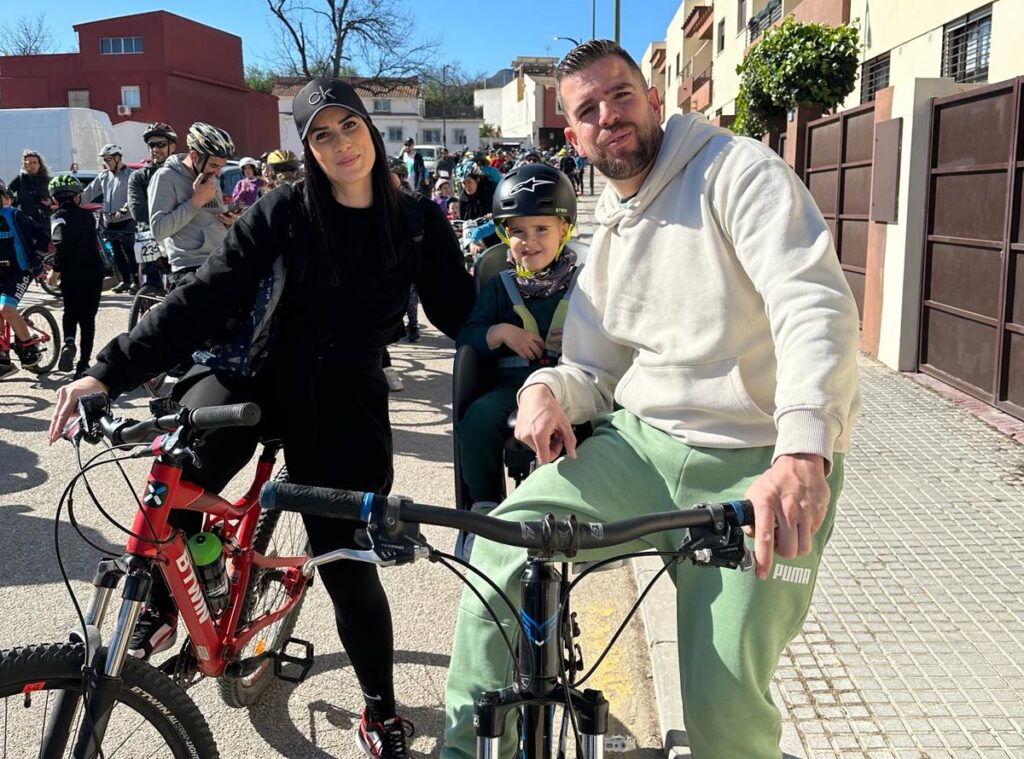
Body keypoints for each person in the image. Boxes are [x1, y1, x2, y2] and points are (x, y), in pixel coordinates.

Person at [440, 39, 861, 759]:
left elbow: (811, 303)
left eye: (621, 95)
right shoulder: (612, 232)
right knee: (502, 558)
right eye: (588, 110)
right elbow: (594, 370)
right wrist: (544, 388)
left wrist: (802, 448)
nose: (609, 116)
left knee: (723, 704)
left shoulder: (738, 173)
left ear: (655, 100)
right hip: (643, 447)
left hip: (757, 462)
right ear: (571, 136)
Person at [49, 77, 475, 758]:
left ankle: (379, 709)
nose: (340, 144)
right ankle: (179, 589)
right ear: (306, 147)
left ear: (371, 128)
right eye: (321, 134)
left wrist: (521, 335)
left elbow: (461, 311)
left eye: (349, 127)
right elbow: (206, 294)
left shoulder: (416, 221)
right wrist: (108, 368)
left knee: (344, 561)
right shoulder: (285, 209)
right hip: (254, 367)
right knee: (174, 480)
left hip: (342, 394)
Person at [454, 164, 581, 558]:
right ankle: (486, 509)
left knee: (601, 427)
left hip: (572, 387)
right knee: (476, 420)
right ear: (504, 236)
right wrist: (502, 333)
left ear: (564, 230)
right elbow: (470, 333)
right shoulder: (500, 285)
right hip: (511, 387)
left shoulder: (585, 283)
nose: (529, 241)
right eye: (517, 232)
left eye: (541, 229)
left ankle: (585, 508)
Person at [148, 122, 238, 283]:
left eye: (221, 167)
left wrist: (229, 221)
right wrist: (196, 201)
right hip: (190, 266)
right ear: (194, 156)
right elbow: (159, 230)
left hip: (220, 257)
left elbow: (210, 215)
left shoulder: (209, 176)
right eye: (214, 165)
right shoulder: (165, 177)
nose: (218, 172)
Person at [48, 175, 105, 379]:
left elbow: (60, 243)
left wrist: (56, 269)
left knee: (70, 312)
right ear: (77, 196)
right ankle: (83, 364)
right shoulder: (88, 216)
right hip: (93, 272)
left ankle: (69, 341)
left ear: (55, 198)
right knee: (88, 319)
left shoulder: (57, 217)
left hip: (71, 274)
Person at [0, 190, 47, 379]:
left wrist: (38, 258)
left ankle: (29, 348)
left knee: (6, 308)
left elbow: (42, 235)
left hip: (19, 270)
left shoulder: (14, 216)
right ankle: (4, 360)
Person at [128, 123, 178, 288]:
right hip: (148, 236)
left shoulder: (182, 174)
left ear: (173, 146)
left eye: (161, 144)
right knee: (148, 287)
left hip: (177, 235)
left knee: (179, 287)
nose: (155, 149)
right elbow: (138, 212)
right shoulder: (138, 177)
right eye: (151, 145)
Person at [83, 144, 137, 293]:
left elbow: (134, 196)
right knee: (116, 253)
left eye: (108, 159)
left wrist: (124, 209)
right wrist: (74, 202)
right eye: (104, 160)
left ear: (118, 158)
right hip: (109, 221)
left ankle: (136, 282)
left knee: (130, 252)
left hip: (126, 220)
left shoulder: (131, 175)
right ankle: (125, 281)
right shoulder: (104, 176)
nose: (106, 163)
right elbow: (89, 192)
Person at [8, 149, 52, 229]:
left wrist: (50, 201)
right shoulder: (20, 179)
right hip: (25, 220)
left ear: (39, 164)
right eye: (29, 163)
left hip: (43, 221)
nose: (32, 165)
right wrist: (16, 204)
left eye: (35, 162)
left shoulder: (47, 180)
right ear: (25, 165)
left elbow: (55, 197)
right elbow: (8, 193)